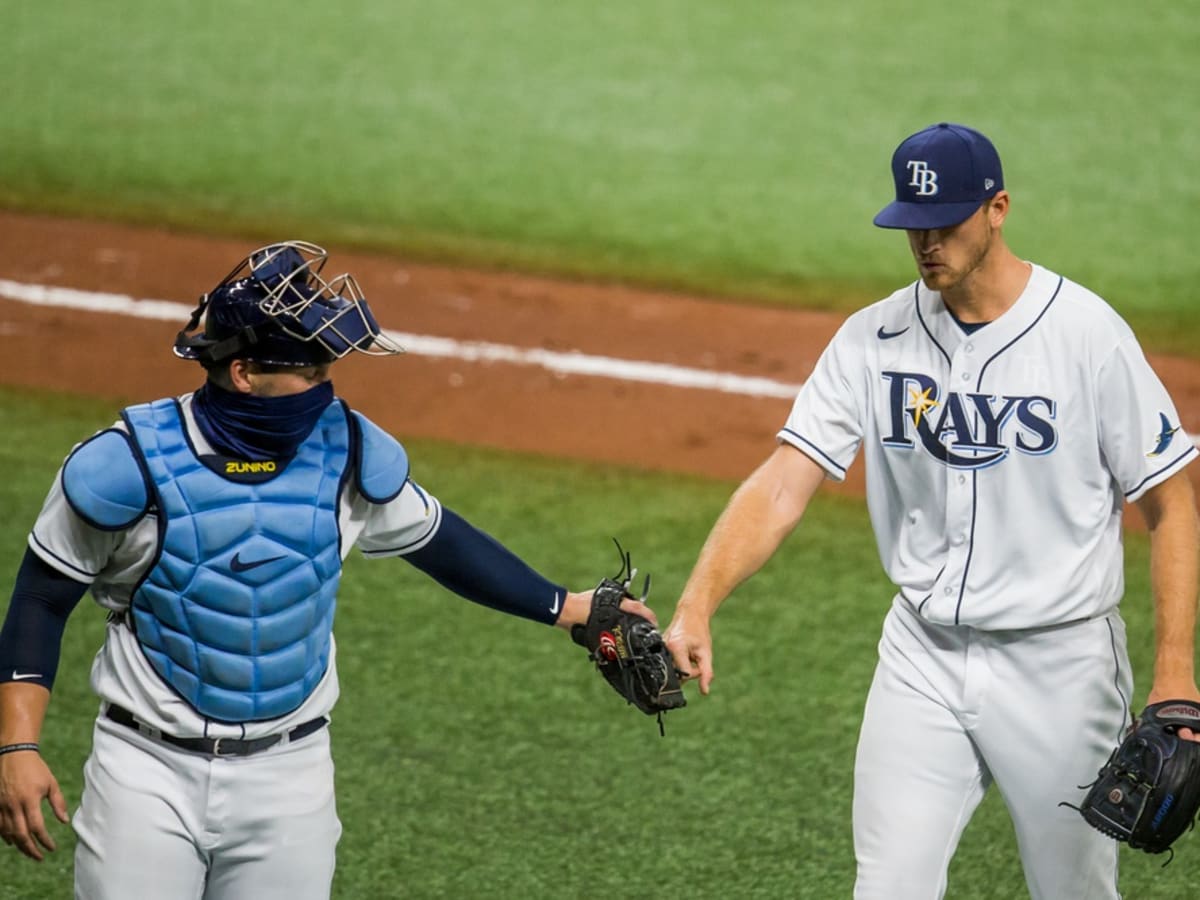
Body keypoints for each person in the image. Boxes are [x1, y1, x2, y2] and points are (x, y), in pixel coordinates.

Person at [0, 241, 654, 899]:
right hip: (146, 771)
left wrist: (566, 606)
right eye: (309, 371)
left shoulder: (350, 454)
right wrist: (16, 749)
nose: (326, 387)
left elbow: (440, 542)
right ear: (246, 372)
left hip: (290, 778)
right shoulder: (123, 469)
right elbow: (40, 602)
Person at [662, 122, 1200, 899]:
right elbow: (784, 483)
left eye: (945, 221)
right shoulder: (871, 338)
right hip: (920, 659)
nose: (926, 242)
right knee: (886, 888)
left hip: (1060, 667)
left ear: (998, 209)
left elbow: (1171, 501)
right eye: (913, 225)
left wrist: (1174, 676)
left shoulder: (1087, 336)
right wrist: (697, 602)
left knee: (1074, 894)